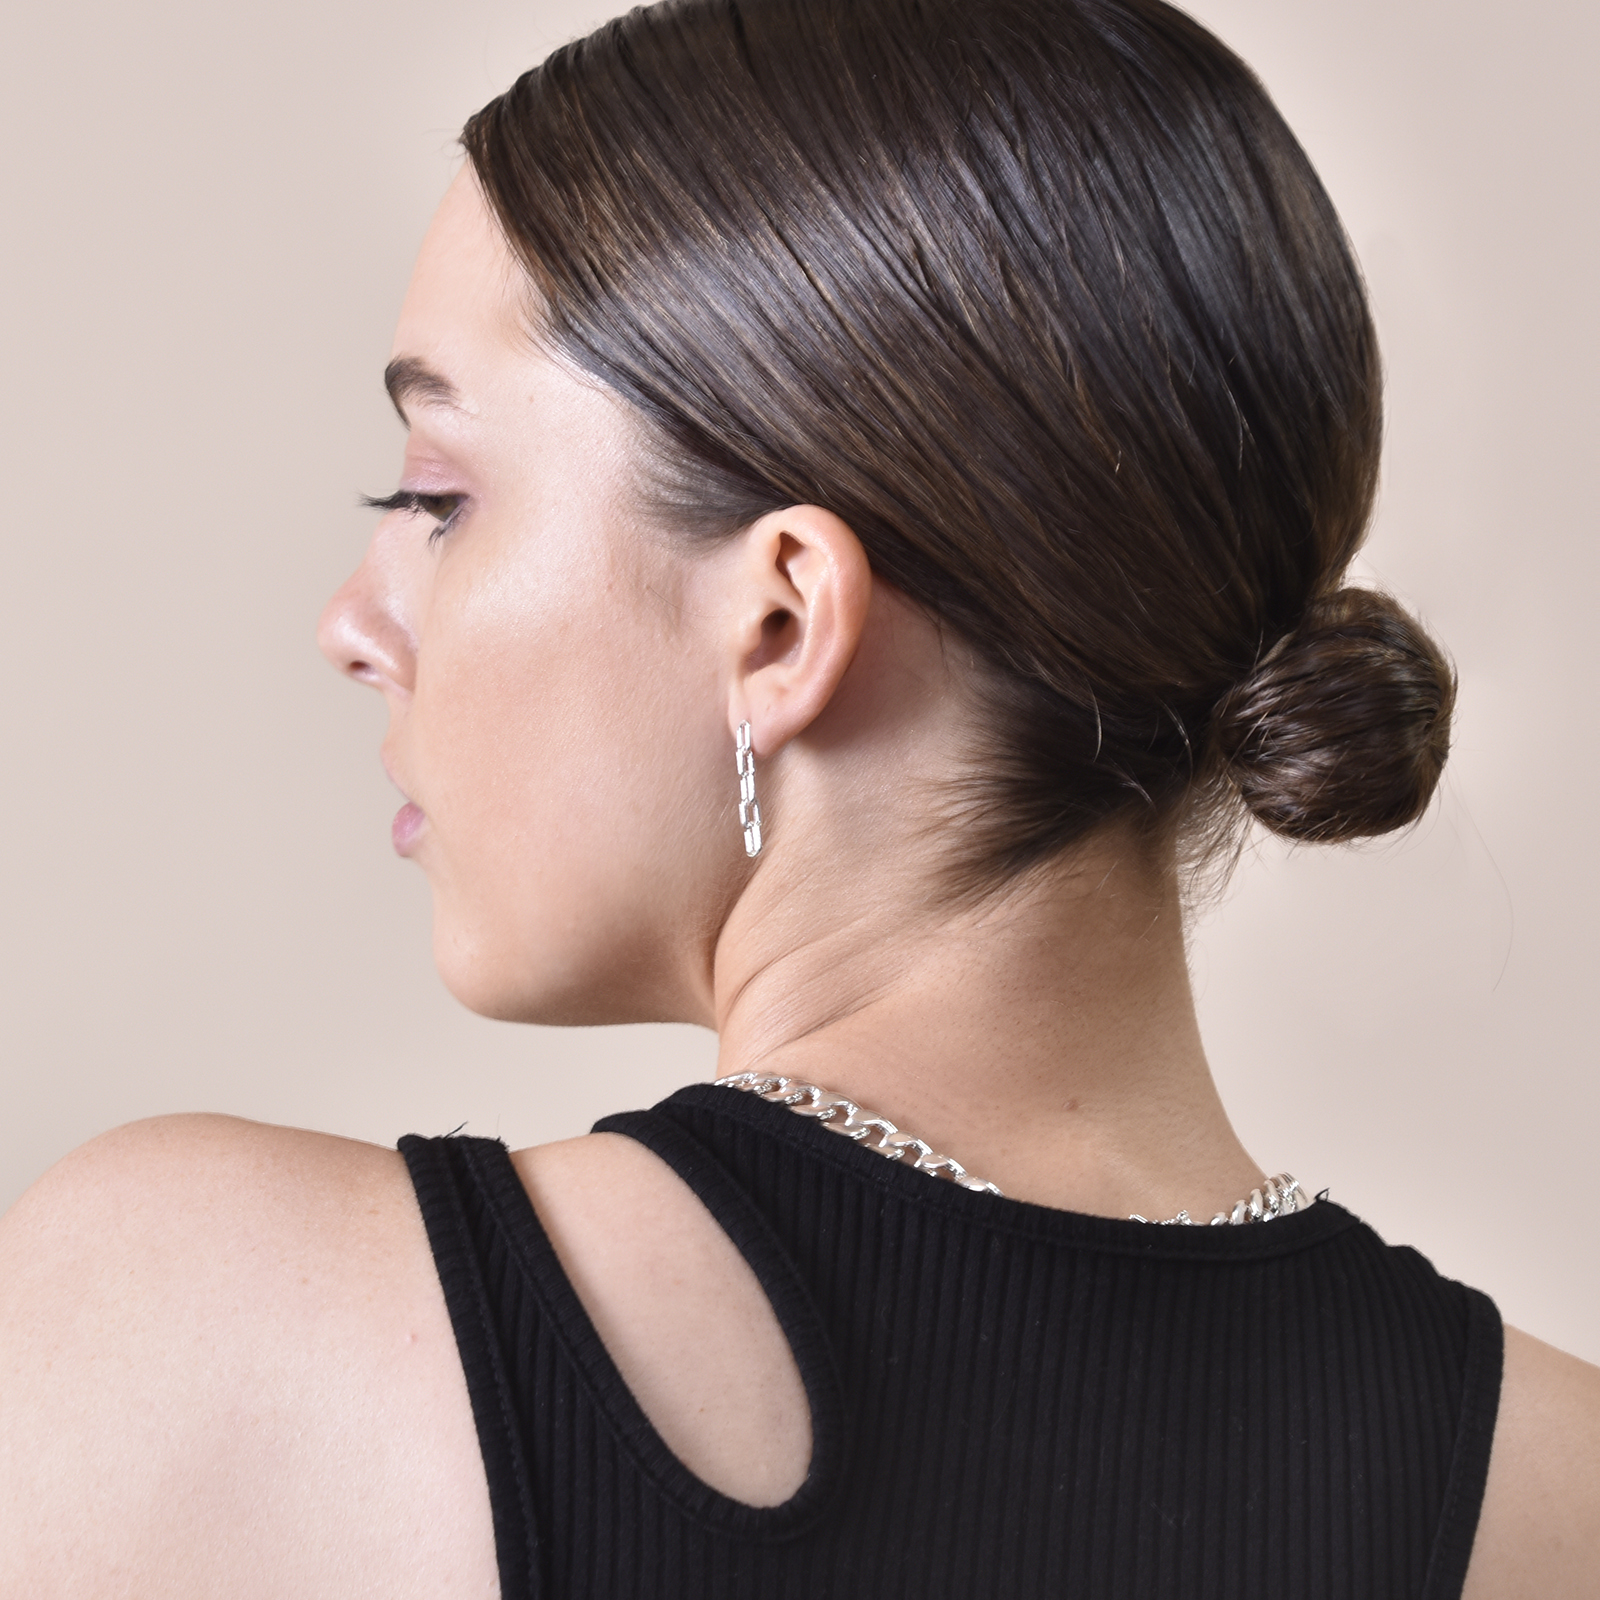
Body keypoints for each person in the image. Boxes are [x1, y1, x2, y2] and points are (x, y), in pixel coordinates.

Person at [2, 0, 1596, 1593]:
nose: (353, 625)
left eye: (438, 497)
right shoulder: (1559, 1494)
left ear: (779, 622)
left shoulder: (193, 1332)